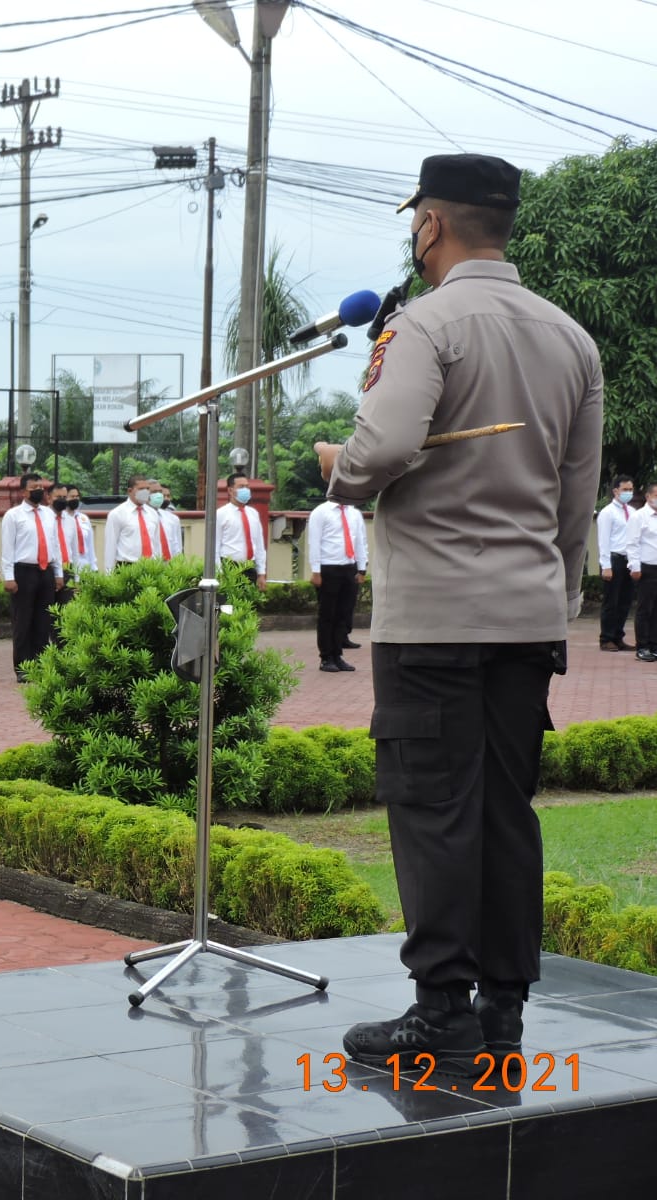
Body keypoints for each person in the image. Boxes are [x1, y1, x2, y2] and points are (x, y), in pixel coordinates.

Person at [316, 152, 602, 1075]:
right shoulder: (570, 338)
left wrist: (339, 466)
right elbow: (574, 497)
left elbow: (384, 447)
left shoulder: (423, 325)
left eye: (415, 222)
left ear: (430, 224)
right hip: (524, 617)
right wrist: (552, 600)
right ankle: (503, 1011)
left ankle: (441, 1009)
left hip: (435, 615)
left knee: (434, 810)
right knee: (504, 813)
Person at [1, 473, 63, 682]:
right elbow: (8, 548)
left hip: (45, 571)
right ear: (23, 491)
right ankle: (23, 668)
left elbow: (54, 544)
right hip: (24, 571)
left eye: (41, 486)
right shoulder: (13, 515)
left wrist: (58, 573)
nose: (39, 490)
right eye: (34, 487)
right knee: (23, 621)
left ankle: (41, 664)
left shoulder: (48, 514)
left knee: (43, 621)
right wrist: (8, 577)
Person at [308, 498, 368, 673]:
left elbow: (360, 541)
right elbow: (315, 542)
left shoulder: (354, 513)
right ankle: (326, 657)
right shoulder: (321, 512)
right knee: (327, 615)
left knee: (344, 614)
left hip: (349, 567)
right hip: (328, 567)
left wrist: (362, 568)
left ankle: (338, 655)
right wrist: (315, 570)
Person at [596, 475, 637, 652]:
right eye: (625, 490)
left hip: (629, 561)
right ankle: (606, 638)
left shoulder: (633, 512)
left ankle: (618, 637)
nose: (628, 493)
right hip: (614, 559)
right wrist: (606, 565)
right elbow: (603, 540)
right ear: (615, 491)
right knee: (611, 602)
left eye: (630, 489)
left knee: (625, 602)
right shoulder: (607, 513)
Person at [214, 472, 267, 588]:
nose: (246, 490)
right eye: (241, 487)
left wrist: (261, 572)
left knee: (249, 604)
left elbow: (259, 545)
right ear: (230, 491)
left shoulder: (253, 514)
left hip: (249, 567)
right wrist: (219, 573)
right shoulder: (221, 514)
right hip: (230, 567)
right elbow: (214, 547)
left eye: (247, 486)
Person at [102, 475, 165, 571]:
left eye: (147, 489)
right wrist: (109, 574)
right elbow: (111, 545)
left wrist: (159, 567)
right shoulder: (117, 514)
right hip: (127, 566)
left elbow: (156, 543)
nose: (145, 492)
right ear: (130, 491)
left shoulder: (152, 514)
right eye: (141, 489)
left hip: (150, 566)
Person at [626, 484, 657, 662]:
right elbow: (632, 543)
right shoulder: (639, 517)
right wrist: (635, 567)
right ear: (648, 496)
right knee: (645, 608)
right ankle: (642, 646)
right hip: (646, 567)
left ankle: (654, 644)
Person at [149, 482, 184, 556]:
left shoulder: (172, 519)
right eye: (154, 492)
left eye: (160, 492)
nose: (159, 495)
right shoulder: (139, 517)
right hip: (149, 564)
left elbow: (176, 545)